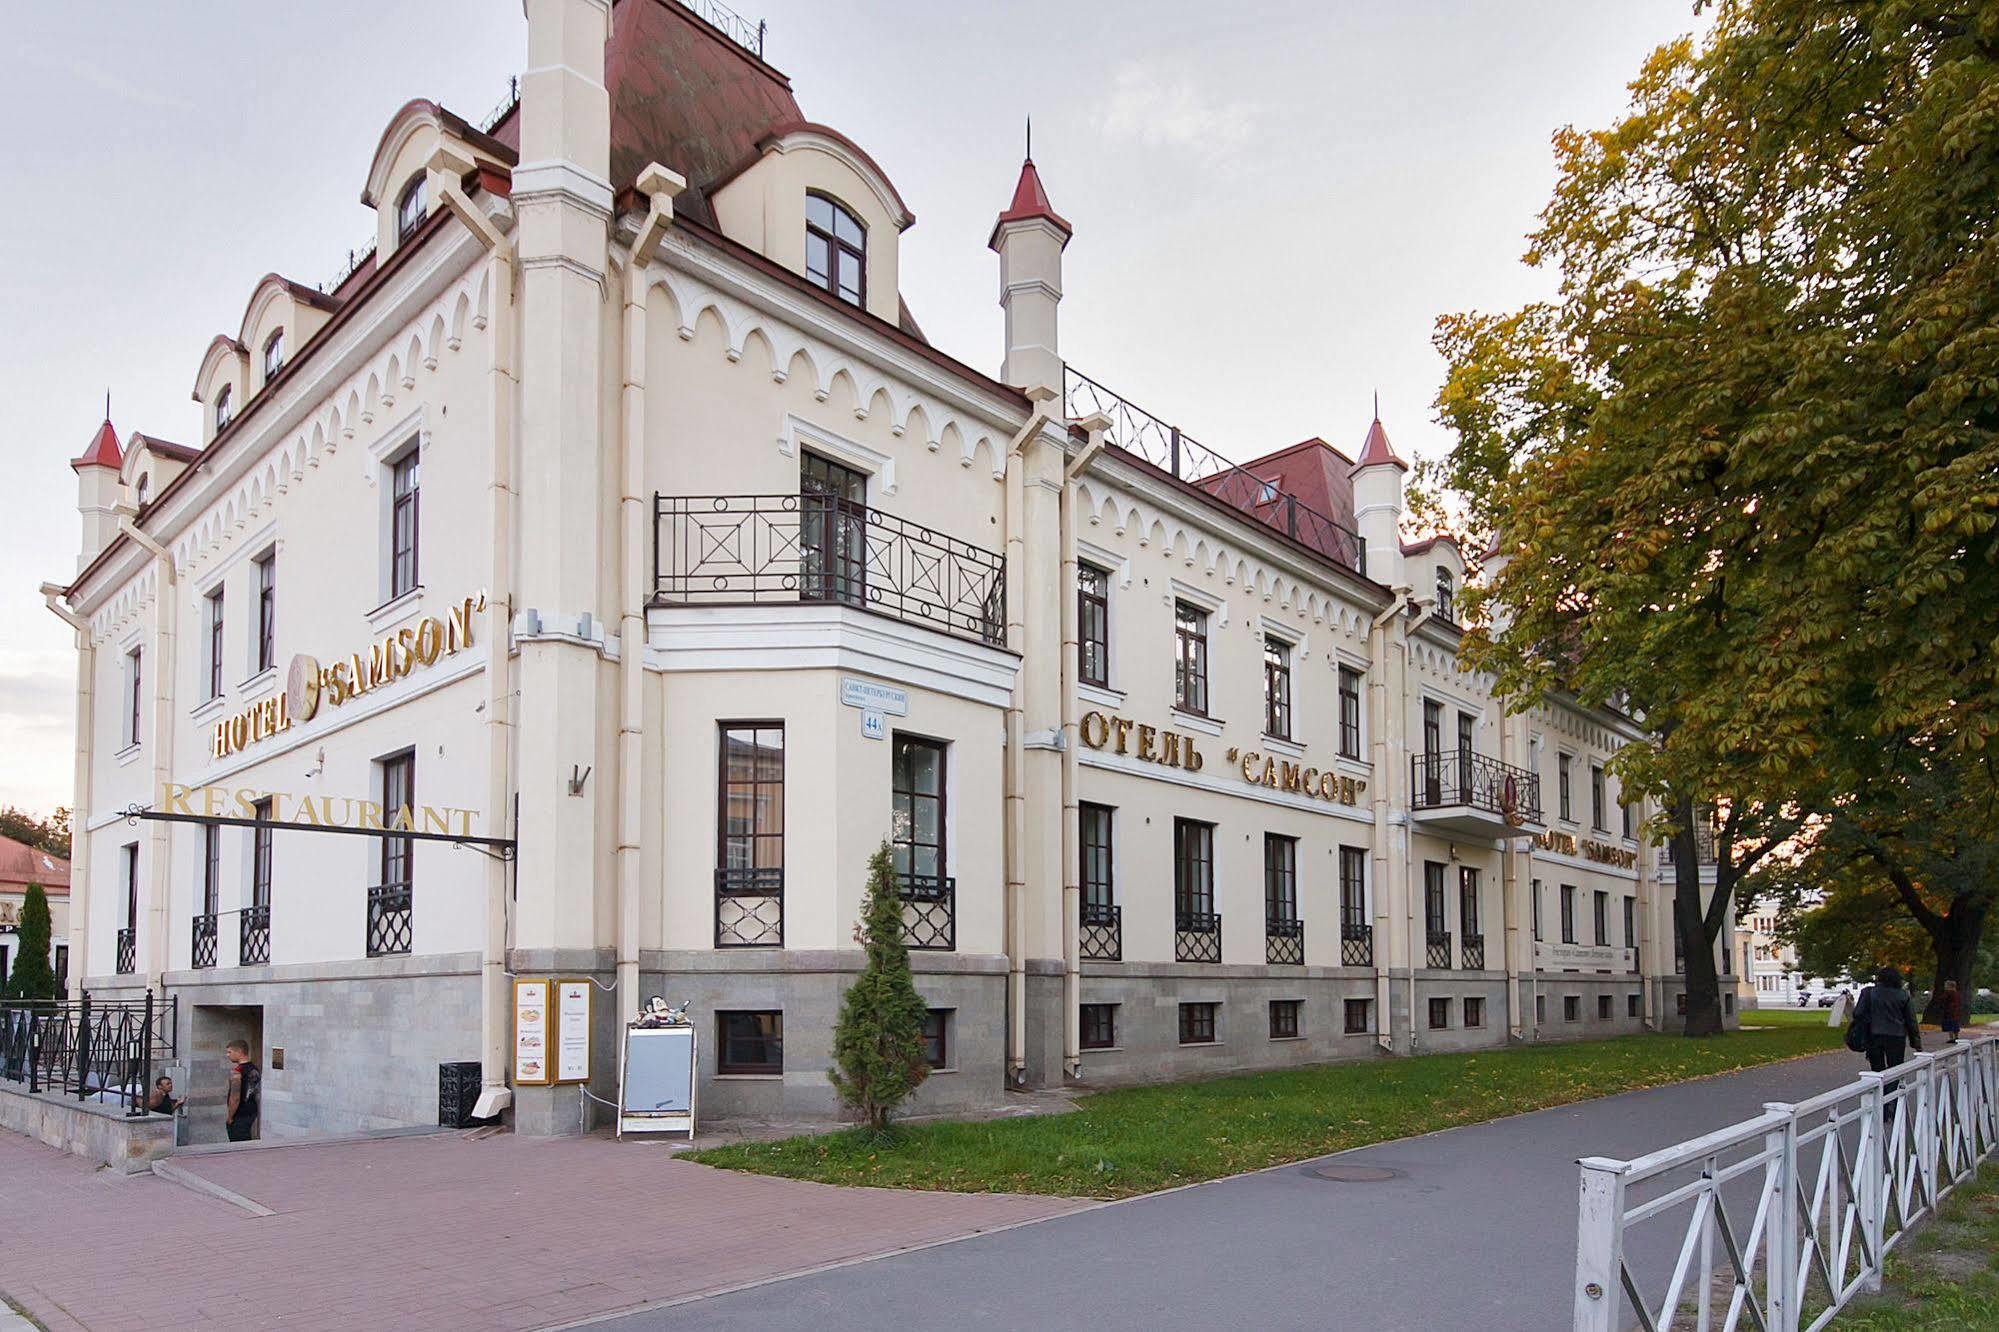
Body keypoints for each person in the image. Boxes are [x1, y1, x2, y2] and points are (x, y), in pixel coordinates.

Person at [1854, 967, 1922, 1109]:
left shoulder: (1868, 993)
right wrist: (1916, 1041)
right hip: (1896, 1036)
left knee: (1877, 1070)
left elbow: (1858, 1013)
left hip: (1873, 1035)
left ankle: (1881, 1105)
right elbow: (1911, 1020)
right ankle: (1892, 1101)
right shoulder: (1902, 995)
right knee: (1895, 1069)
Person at [224, 1039, 261, 1142]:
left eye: (229, 1052)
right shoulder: (254, 1069)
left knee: (238, 1144)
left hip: (239, 1114)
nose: (227, 1055)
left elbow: (235, 1097)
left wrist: (230, 1116)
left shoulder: (237, 1072)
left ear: (239, 1052)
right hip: (251, 1111)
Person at [1939, 979, 1964, 1045]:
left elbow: (1942, 999)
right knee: (1955, 1024)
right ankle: (1956, 1036)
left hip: (1949, 1011)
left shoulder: (1948, 993)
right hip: (1956, 1011)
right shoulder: (1957, 993)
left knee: (1949, 1025)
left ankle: (1951, 1038)